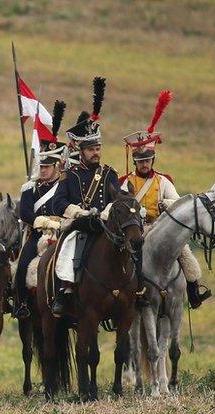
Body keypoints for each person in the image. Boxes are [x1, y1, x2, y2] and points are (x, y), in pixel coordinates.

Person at [121, 90, 211, 308]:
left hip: (159, 227)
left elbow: (177, 203)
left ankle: (193, 292)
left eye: (148, 160)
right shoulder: (125, 182)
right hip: (136, 230)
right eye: (141, 161)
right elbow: (120, 205)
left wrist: (165, 205)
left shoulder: (163, 181)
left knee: (184, 254)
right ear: (135, 161)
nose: (144, 164)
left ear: (153, 159)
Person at [52, 76, 133, 316]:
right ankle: (65, 289)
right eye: (91, 149)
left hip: (106, 224)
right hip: (82, 224)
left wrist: (107, 213)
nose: (95, 153)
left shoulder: (109, 173)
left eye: (97, 148)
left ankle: (137, 290)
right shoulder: (70, 175)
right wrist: (79, 212)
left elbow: (117, 197)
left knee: (133, 247)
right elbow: (58, 203)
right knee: (69, 245)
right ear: (81, 151)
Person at [13, 101, 68, 319]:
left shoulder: (65, 186)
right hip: (36, 235)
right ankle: (21, 303)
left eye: (46, 167)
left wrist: (59, 224)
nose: (42, 170)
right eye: (41, 166)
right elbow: (25, 213)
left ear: (57, 166)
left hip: (61, 234)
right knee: (22, 266)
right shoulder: (30, 188)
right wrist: (44, 223)